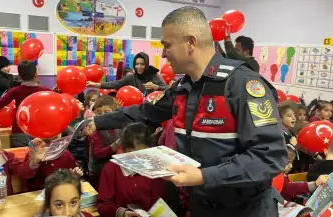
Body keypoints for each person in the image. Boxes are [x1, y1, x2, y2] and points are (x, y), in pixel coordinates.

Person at [84, 6, 287, 217]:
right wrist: (99, 122)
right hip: (202, 205)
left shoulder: (242, 85)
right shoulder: (183, 88)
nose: (163, 54)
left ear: (191, 42)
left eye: (167, 45)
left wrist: (203, 176)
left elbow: (269, 157)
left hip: (245, 209)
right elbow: (145, 112)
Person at [97, 122, 163, 217]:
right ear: (122, 150)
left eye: (141, 153)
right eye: (130, 153)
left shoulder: (154, 170)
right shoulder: (110, 169)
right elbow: (103, 205)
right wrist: (122, 213)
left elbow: (158, 202)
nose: (136, 159)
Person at [0, 60, 51, 147]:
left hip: (20, 130)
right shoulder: (45, 91)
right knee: (40, 156)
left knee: (20, 157)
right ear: (36, 75)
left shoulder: (15, 91)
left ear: (19, 76)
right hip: (39, 132)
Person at [87, 52, 167, 96]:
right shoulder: (131, 77)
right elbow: (115, 84)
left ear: (146, 64)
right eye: (137, 64)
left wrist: (156, 87)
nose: (139, 67)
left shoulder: (154, 75)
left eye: (142, 64)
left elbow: (167, 88)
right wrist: (95, 84)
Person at [88, 95, 121, 189]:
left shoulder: (119, 125)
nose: (103, 115)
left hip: (115, 169)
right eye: (99, 113)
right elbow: (97, 154)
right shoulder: (94, 129)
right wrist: (115, 145)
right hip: (98, 171)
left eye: (106, 112)